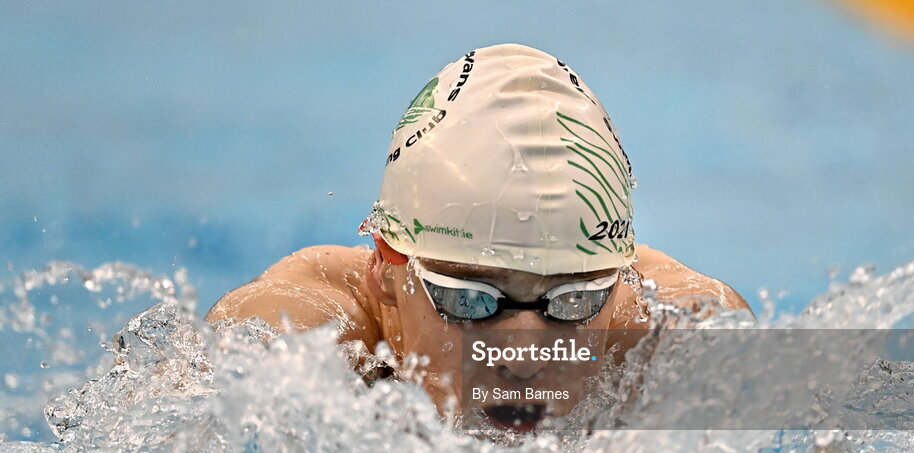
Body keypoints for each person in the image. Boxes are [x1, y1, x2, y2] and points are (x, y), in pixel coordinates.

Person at [207, 44, 749, 431]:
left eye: (574, 301)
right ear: (386, 268)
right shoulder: (300, 332)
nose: (525, 355)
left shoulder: (671, 339)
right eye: (471, 300)